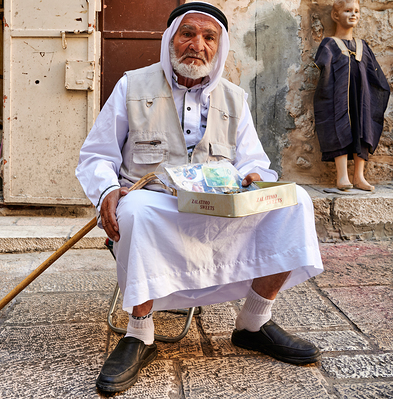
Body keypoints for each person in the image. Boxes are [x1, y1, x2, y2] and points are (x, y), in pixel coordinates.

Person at [76, 2, 324, 394]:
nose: (197, 45)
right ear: (170, 40)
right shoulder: (132, 85)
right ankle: (139, 333)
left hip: (220, 208)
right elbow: (97, 155)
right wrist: (107, 190)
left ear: (220, 47)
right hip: (157, 204)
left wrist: (256, 177)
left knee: (296, 202)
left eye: (209, 38)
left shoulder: (234, 98)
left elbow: (253, 161)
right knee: (137, 209)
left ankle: (254, 323)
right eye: (187, 34)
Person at [313, 0, 390, 191]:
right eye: (348, 11)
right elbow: (324, 72)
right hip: (338, 98)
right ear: (336, 16)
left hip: (362, 98)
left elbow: (374, 74)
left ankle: (359, 176)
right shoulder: (330, 44)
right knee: (339, 126)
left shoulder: (362, 45)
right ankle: (342, 176)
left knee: (364, 128)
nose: (353, 14)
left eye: (356, 11)